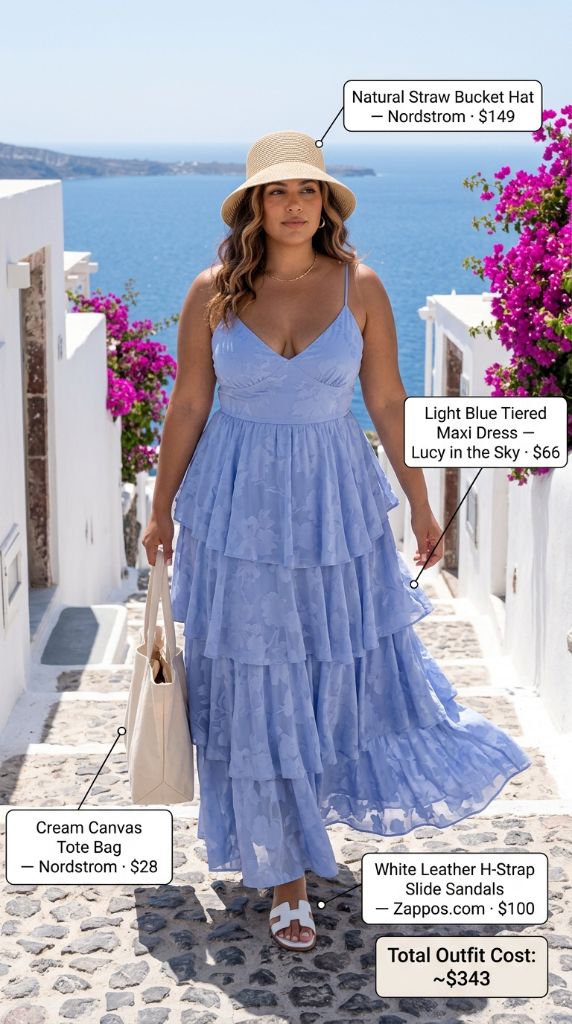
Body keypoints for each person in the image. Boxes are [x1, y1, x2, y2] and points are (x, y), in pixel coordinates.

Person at [142, 130, 531, 952]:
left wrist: (422, 503)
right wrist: (161, 506)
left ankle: (306, 823)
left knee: (330, 671)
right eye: (277, 192)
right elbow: (188, 404)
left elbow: (387, 402)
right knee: (258, 676)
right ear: (254, 207)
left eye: (308, 191)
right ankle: (285, 872)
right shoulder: (213, 291)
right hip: (236, 514)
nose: (294, 205)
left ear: (326, 205)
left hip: (334, 511)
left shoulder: (363, 286)